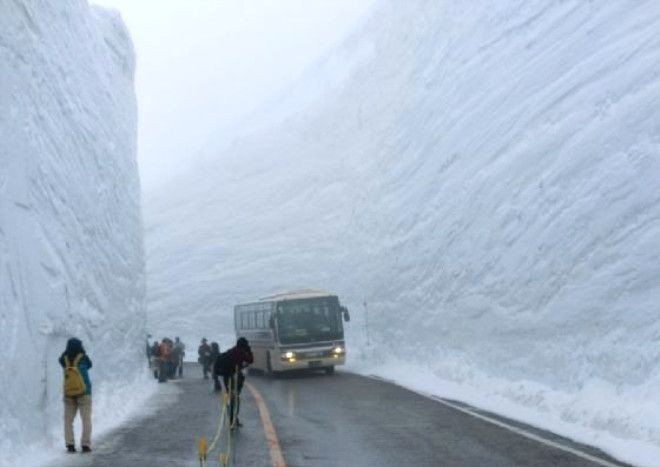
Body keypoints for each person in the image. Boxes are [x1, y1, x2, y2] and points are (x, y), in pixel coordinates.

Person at [59, 338, 93, 453]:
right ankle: (85, 444)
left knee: (68, 420)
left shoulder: (64, 359)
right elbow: (90, 365)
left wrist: (65, 352)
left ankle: (70, 444)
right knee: (86, 419)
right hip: (84, 393)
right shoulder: (83, 358)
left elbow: (60, 360)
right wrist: (83, 352)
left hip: (69, 394)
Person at [214, 337, 253, 428]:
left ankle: (232, 418)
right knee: (235, 398)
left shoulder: (230, 351)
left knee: (231, 397)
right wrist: (249, 350)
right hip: (236, 378)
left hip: (227, 378)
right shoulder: (241, 353)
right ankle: (234, 419)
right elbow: (250, 360)